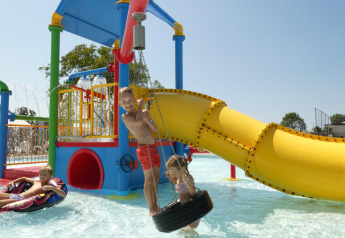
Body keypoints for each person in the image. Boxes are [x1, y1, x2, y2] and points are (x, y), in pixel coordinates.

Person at [118, 87, 160, 216]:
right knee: (149, 178)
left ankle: (155, 204)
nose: (127, 104)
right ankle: (151, 208)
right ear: (120, 104)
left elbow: (155, 129)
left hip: (153, 148)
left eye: (129, 100)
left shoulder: (144, 113)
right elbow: (138, 121)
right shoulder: (125, 117)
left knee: (156, 177)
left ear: (134, 99)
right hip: (144, 149)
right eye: (123, 102)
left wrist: (149, 118)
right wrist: (141, 106)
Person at [0, 165, 66, 207]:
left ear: (50, 176)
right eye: (41, 174)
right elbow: (24, 178)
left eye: (44, 175)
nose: (42, 176)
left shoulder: (47, 186)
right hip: (17, 195)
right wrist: (13, 182)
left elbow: (63, 194)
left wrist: (52, 188)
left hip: (22, 200)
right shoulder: (36, 181)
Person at [166, 155, 201, 229]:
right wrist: (172, 179)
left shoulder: (188, 178)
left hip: (193, 211)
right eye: (171, 173)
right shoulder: (179, 179)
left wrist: (187, 184)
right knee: (184, 232)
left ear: (182, 169)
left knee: (188, 231)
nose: (173, 175)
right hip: (186, 211)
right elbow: (180, 189)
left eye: (174, 174)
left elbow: (193, 193)